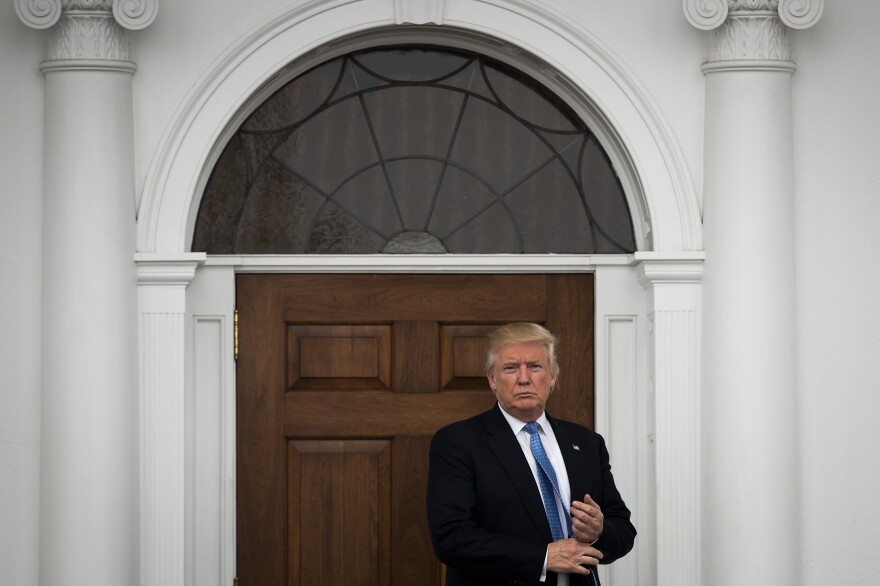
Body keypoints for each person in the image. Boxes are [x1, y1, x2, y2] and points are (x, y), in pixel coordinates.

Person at [427, 323, 636, 586]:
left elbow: (624, 532)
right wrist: (544, 557)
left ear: (552, 377)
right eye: (511, 368)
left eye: (535, 367)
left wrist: (598, 532)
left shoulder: (586, 443)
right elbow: (451, 538)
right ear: (492, 379)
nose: (523, 378)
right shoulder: (458, 442)